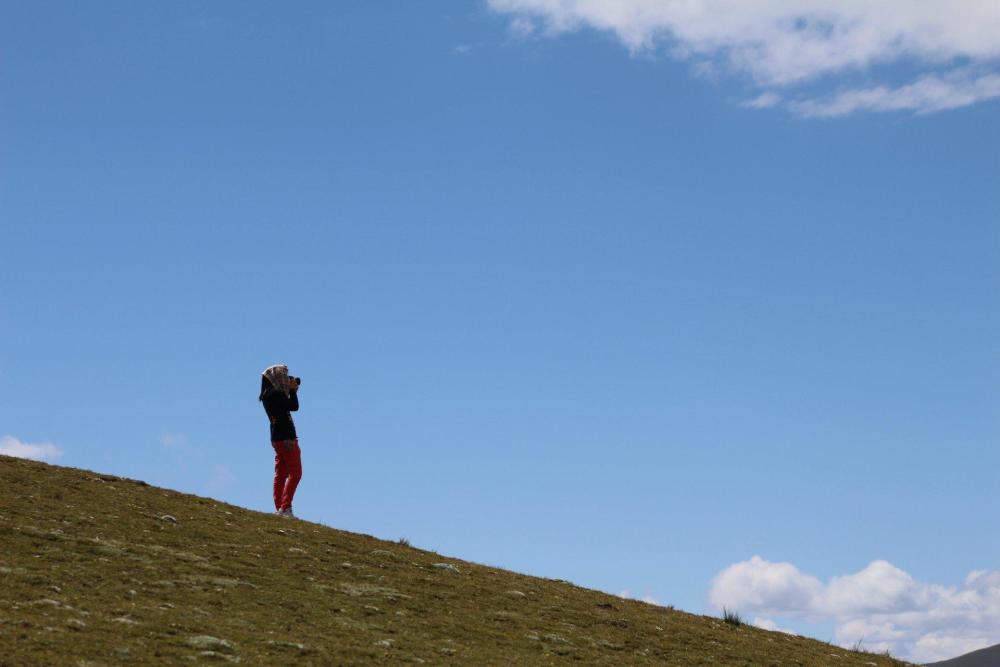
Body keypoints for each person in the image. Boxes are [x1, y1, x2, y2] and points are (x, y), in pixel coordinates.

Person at [259, 364, 302, 518]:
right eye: (284, 375)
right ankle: (285, 508)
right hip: (287, 438)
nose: (286, 378)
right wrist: (293, 391)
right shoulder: (277, 393)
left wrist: (290, 390)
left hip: (276, 438)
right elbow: (294, 406)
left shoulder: (266, 395)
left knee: (281, 474)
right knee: (296, 473)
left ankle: (280, 508)